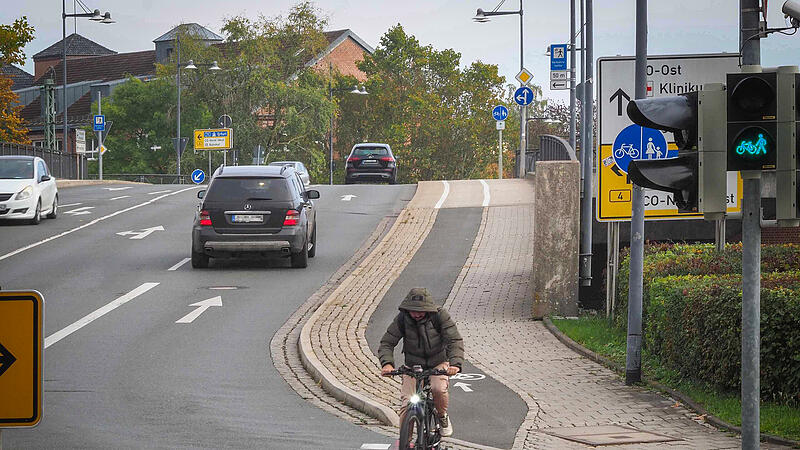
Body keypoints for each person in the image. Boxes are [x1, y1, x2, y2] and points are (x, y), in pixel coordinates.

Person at [378, 287, 464, 438]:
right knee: (407, 403)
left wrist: (455, 364)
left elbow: (454, 340)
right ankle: (406, 441)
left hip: (437, 364)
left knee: (438, 389)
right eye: (413, 310)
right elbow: (387, 342)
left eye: (420, 311)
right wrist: (387, 364)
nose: (416, 314)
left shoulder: (440, 316)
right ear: (407, 309)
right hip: (413, 366)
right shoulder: (402, 319)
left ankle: (442, 417)